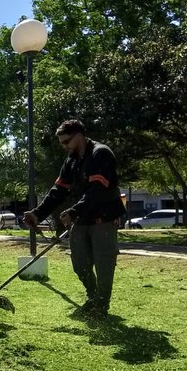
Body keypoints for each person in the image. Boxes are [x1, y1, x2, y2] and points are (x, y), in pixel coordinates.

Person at [23, 120, 125, 318]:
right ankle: (92, 297)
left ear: (79, 135)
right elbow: (58, 191)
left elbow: (96, 191)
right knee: (80, 265)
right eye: (62, 143)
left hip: (103, 219)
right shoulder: (71, 160)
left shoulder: (101, 154)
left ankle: (101, 307)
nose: (64, 146)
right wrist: (37, 213)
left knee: (104, 266)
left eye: (66, 141)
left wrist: (74, 211)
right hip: (82, 219)